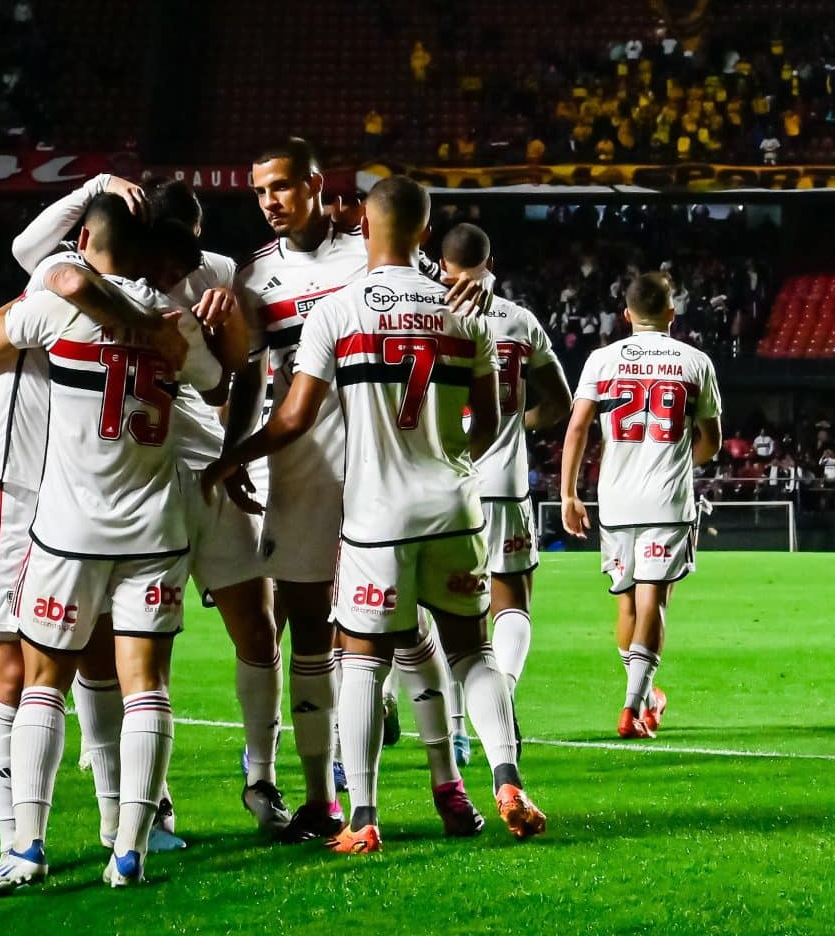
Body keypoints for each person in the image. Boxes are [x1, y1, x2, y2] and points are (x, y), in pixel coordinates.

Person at [205, 176, 546, 854]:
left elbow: (294, 418)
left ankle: (362, 815)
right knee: (472, 652)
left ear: (364, 224)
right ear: (425, 234)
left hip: (376, 515)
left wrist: (229, 459)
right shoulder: (465, 312)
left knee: (362, 661)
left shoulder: (338, 310)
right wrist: (450, 454)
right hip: (454, 507)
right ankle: (507, 779)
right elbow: (491, 422)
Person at [12, 172, 282, 834]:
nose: (179, 269)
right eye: (168, 252)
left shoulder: (215, 272)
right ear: (143, 239)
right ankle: (137, 805)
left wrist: (235, 452)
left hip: (204, 467)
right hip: (130, 484)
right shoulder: (88, 274)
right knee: (116, 651)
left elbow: (242, 372)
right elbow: (32, 258)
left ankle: (261, 777)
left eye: (190, 250)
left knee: (255, 623)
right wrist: (94, 189)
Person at [0, 205, 222, 894]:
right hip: (155, 530)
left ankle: (27, 847)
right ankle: (130, 850)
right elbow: (213, 383)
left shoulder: (57, 304)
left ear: (83, 241)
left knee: (43, 682)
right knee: (147, 685)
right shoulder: (178, 321)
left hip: (70, 530)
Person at [559, 271, 723, 739]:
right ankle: (632, 707)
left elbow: (577, 427)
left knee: (627, 601)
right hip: (667, 500)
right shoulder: (695, 362)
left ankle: (648, 696)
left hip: (615, 498)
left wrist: (569, 493)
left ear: (626, 314)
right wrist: (678, 461)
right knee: (654, 599)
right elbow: (711, 440)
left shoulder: (601, 360)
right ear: (672, 312)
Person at [441, 223, 571, 696]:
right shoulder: (519, 321)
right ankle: (502, 696)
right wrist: (517, 422)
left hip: (442, 481)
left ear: (442, 266)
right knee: (511, 599)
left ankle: (450, 719)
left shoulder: (428, 316)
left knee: (442, 607)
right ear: (490, 265)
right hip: (502, 483)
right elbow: (560, 401)